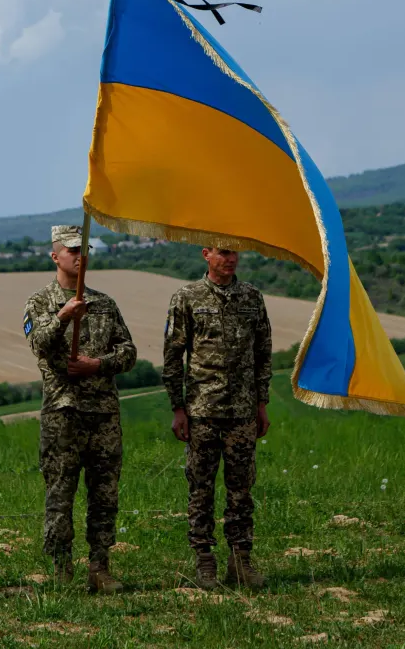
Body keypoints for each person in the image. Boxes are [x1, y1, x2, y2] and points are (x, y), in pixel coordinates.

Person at [22, 224, 137, 593]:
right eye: (71, 250)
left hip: (103, 412)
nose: (79, 256)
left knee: (104, 494)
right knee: (60, 492)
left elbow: (129, 353)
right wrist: (63, 317)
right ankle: (61, 567)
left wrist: (97, 365)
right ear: (55, 256)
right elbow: (38, 343)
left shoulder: (104, 303)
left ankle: (100, 567)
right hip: (63, 412)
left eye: (83, 249)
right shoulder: (41, 302)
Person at [163, 246, 272, 590]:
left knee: (241, 489)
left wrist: (261, 403)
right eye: (223, 252)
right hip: (201, 410)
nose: (231, 259)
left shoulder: (252, 297)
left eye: (235, 253)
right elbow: (172, 355)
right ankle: (204, 562)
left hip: (241, 411)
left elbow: (263, 353)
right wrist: (177, 408)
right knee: (201, 488)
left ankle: (240, 561)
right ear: (206, 254)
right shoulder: (187, 297)